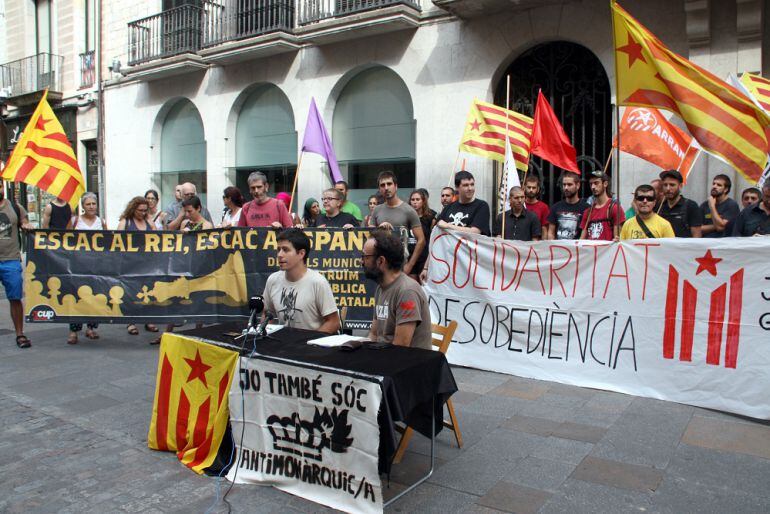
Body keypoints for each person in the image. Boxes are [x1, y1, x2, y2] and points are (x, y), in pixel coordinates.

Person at [364, 230, 432, 349]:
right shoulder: (381, 287)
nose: (361, 261)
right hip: (384, 357)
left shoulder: (407, 291)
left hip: (408, 363)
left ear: (381, 261)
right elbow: (374, 334)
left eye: (365, 256)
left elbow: (401, 347)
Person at [262, 228, 340, 333]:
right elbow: (266, 314)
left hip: (311, 346)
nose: (279, 255)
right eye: (278, 249)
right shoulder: (273, 280)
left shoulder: (318, 282)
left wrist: (308, 343)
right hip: (283, 346)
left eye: (285, 250)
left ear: (301, 254)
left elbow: (333, 322)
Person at [67, 192, 108, 344]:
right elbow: (66, 241)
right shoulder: (75, 221)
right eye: (88, 204)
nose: (91, 207)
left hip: (96, 265)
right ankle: (73, 330)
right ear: (83, 206)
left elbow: (107, 242)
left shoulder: (101, 221)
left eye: (93, 204)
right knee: (77, 295)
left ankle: (91, 328)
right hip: (78, 264)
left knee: (94, 295)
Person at [369, 171, 425, 277]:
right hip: (380, 265)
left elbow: (421, 240)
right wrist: (378, 229)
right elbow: (369, 235)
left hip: (400, 265)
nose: (386, 188)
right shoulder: (377, 210)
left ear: (396, 186)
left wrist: (409, 265)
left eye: (389, 184)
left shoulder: (408, 210)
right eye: (382, 185)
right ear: (379, 189)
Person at [117, 197, 159, 337]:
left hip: (147, 263)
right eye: (139, 210)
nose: (142, 213)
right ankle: (131, 322)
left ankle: (149, 320)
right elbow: (116, 241)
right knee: (130, 292)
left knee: (148, 291)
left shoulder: (149, 222)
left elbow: (159, 238)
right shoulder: (125, 222)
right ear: (133, 209)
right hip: (130, 263)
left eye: (144, 210)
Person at [0, 183, 33, 348]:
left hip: (11, 260)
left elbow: (24, 221)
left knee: (15, 298)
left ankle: (20, 334)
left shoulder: (14, 207)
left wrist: (26, 225)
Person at [437, 170, 491, 235]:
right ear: (457, 187)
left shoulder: (481, 206)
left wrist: (448, 226)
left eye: (472, 184)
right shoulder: (449, 207)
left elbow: (475, 231)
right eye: (466, 185)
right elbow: (439, 224)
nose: (470, 188)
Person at [657, 169, 703, 238]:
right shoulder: (659, 207)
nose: (668, 188)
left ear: (680, 186)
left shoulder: (691, 206)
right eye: (665, 185)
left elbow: (697, 235)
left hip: (684, 247)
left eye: (672, 185)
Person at [580, 171, 625, 241]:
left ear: (605, 184)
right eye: (591, 184)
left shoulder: (614, 208)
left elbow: (617, 240)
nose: (593, 187)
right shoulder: (588, 211)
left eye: (596, 183)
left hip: (607, 251)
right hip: (591, 251)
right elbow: (581, 241)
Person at [546, 172, 589, 240]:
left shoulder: (586, 208)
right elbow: (551, 233)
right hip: (558, 249)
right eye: (564, 185)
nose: (566, 188)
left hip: (577, 249)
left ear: (577, 185)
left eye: (569, 185)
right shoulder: (555, 207)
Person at [408, 189, 436, 279]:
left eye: (417, 199)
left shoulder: (430, 217)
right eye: (413, 200)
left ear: (423, 201)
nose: (415, 202)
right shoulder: (406, 217)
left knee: (423, 288)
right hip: (410, 256)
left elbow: (433, 238)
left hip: (424, 257)